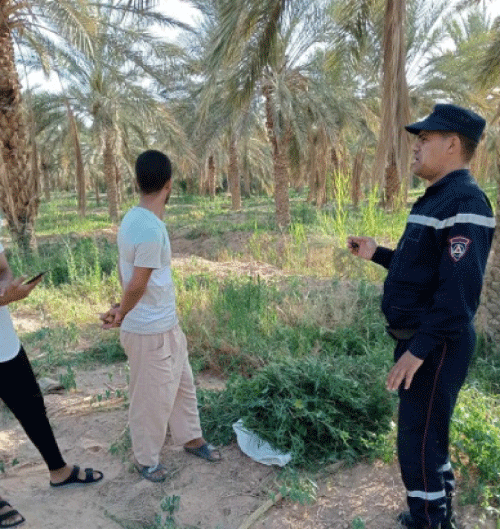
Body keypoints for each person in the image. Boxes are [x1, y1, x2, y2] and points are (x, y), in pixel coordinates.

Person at [347, 103, 495, 529]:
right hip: (427, 340)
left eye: (425, 138)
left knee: (418, 440)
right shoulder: (439, 199)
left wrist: (418, 351)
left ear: (452, 144)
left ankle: (429, 520)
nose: (416, 145)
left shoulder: (464, 201)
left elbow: (458, 293)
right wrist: (377, 254)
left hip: (436, 344)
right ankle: (438, 507)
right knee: (429, 433)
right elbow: (425, 271)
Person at [100, 149, 221, 483]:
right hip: (149, 330)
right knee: (151, 399)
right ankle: (146, 460)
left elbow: (129, 276)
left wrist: (118, 307)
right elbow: (138, 282)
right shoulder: (150, 230)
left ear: (137, 183)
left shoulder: (134, 219)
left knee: (183, 386)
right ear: (169, 185)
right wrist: (122, 312)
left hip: (166, 324)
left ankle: (191, 438)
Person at [0, 245, 103, 528]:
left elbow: (2, 267)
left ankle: (59, 470)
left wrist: (6, 288)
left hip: (4, 343)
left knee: (32, 407)